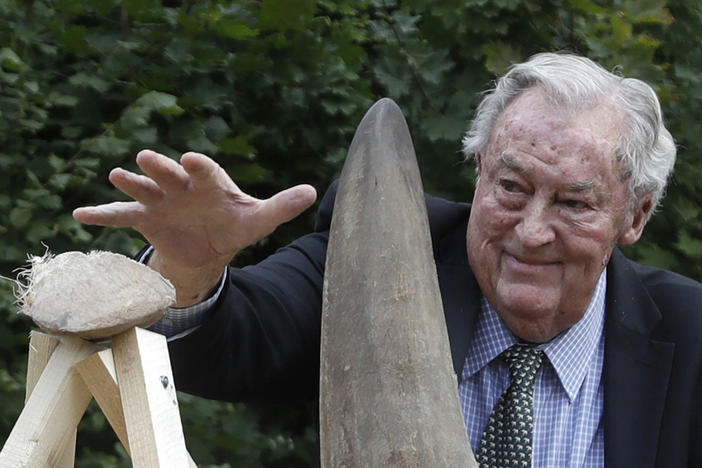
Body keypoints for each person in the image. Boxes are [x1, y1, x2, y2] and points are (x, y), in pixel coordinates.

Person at [74, 52, 701, 468]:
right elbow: (235, 342)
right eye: (511, 189)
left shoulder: (691, 332)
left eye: (571, 202)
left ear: (635, 217)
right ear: (478, 171)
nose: (531, 232)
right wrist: (191, 269)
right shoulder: (385, 253)